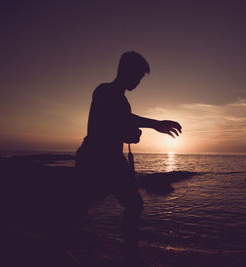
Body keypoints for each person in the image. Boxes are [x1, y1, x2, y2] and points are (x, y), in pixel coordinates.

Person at [75, 51, 182, 262]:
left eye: (140, 78)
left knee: (129, 204)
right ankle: (129, 253)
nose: (138, 82)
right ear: (125, 71)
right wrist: (155, 124)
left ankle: (129, 251)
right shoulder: (104, 90)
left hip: (110, 158)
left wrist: (131, 134)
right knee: (85, 205)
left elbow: (118, 126)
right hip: (97, 157)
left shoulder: (122, 100)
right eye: (137, 76)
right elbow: (119, 121)